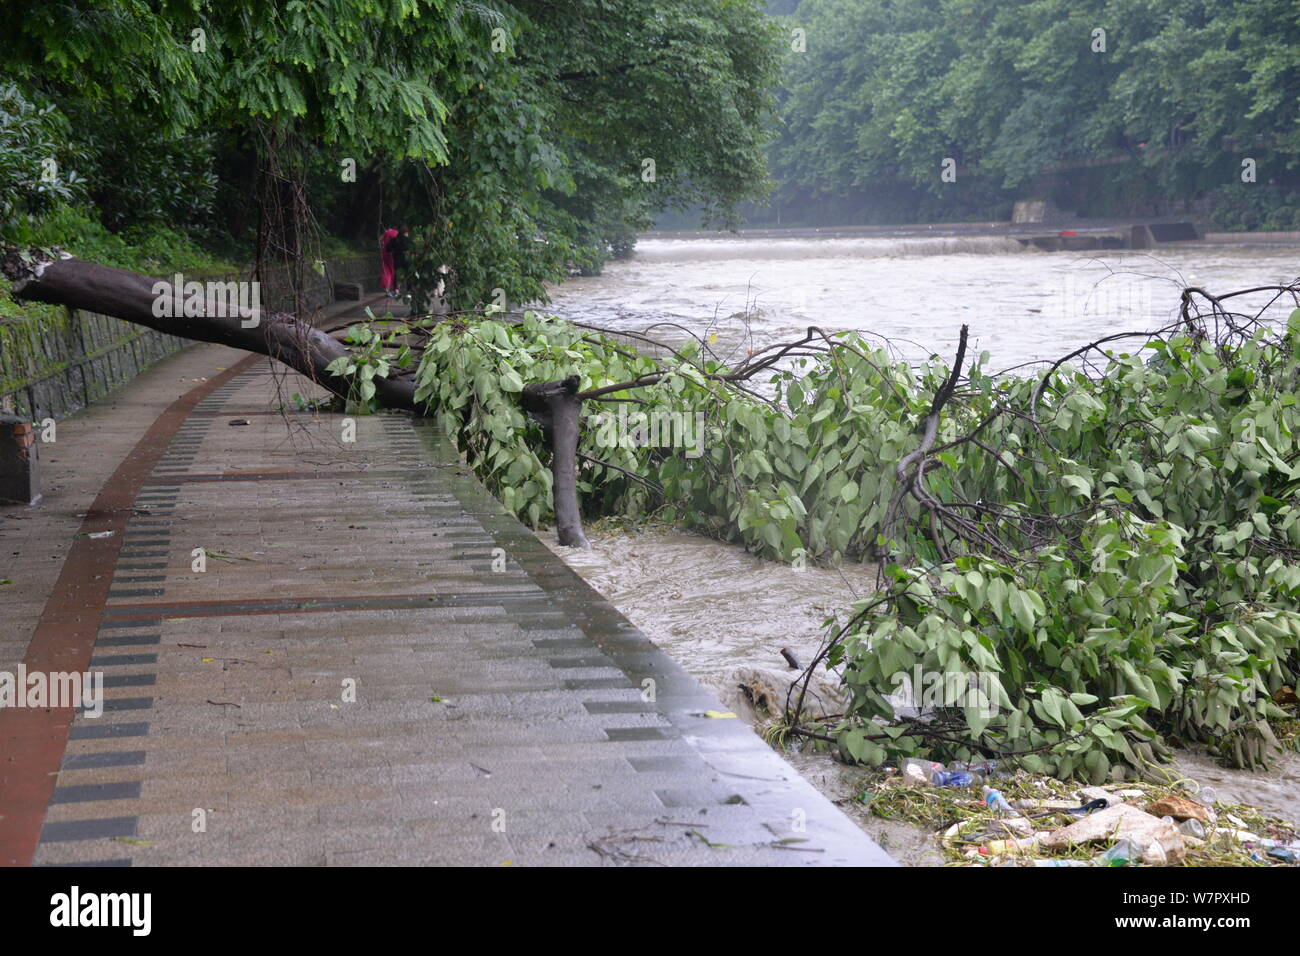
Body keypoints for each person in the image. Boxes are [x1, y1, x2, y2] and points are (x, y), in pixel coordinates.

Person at [388, 224, 411, 298]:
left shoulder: (394, 240)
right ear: (406, 232)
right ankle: (408, 292)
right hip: (407, 260)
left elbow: (388, 249)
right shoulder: (408, 240)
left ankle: (396, 291)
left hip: (397, 259)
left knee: (397, 275)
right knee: (408, 275)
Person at [379, 226, 398, 296]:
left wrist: (382, 246)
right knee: (394, 271)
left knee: (386, 271)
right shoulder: (397, 233)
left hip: (385, 254)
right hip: (394, 255)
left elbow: (380, 240)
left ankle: (387, 289)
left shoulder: (386, 232)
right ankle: (396, 289)